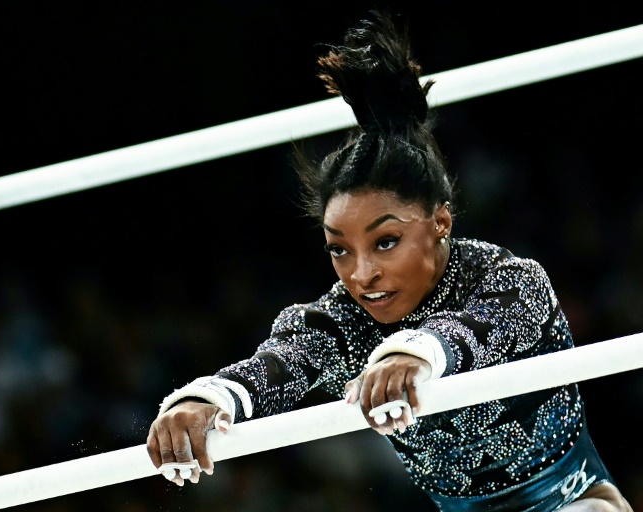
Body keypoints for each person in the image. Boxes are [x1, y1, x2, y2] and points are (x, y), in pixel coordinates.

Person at [146, 10, 632, 511]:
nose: (362, 274)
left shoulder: (512, 283)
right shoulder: (340, 323)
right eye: (340, 249)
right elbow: (277, 365)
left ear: (440, 223)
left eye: (385, 242)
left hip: (573, 494)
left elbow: (468, 331)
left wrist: (413, 355)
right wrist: (206, 401)